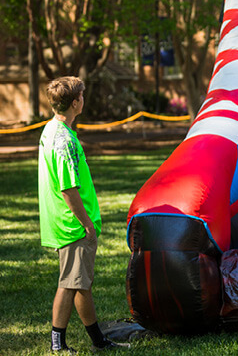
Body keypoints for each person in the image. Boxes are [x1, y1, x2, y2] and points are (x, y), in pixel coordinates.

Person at [38, 76, 129, 352]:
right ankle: (58, 343)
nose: (83, 99)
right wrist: (86, 224)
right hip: (72, 225)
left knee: (80, 283)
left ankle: (97, 340)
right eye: (82, 95)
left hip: (65, 223)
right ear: (76, 102)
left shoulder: (52, 129)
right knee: (69, 283)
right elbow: (68, 190)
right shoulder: (63, 140)